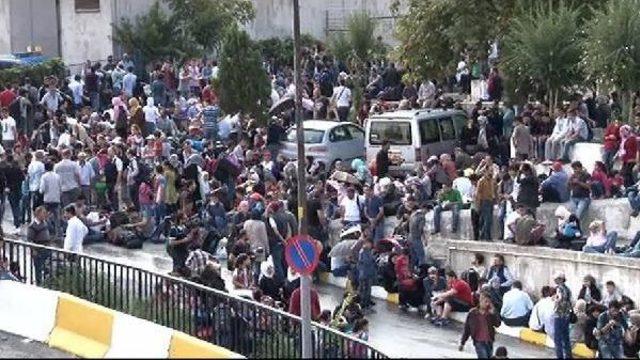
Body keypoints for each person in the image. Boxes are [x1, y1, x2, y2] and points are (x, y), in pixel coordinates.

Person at [459, 291, 501, 359]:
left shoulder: (490, 313)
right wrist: (462, 343)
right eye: (486, 301)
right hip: (479, 341)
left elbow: (497, 324)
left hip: (489, 341)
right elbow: (467, 329)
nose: (487, 304)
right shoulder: (473, 313)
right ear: (480, 300)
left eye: (489, 302)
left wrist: (494, 314)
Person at [552, 272, 573, 359]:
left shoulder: (559, 288)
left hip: (559, 315)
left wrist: (555, 300)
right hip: (566, 315)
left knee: (558, 339)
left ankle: (559, 356)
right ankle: (568, 356)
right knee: (566, 338)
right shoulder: (567, 289)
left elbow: (559, 299)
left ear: (560, 279)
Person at [39, 161, 62, 239]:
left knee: (45, 216)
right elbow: (60, 187)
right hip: (56, 198)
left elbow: (42, 189)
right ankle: (58, 234)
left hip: (47, 199)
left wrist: (40, 192)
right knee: (57, 217)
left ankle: (46, 232)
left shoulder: (44, 176)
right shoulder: (57, 176)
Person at [474, 168, 496, 241]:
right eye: (489, 171)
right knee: (487, 220)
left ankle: (484, 235)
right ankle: (486, 236)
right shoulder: (481, 181)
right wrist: (478, 204)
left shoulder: (492, 180)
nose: (490, 173)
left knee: (489, 220)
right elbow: (478, 193)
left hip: (491, 201)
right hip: (484, 201)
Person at [357, 237, 376, 311]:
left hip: (368, 273)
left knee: (368, 290)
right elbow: (366, 261)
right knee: (364, 290)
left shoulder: (368, 251)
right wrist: (372, 259)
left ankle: (366, 303)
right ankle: (363, 304)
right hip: (364, 273)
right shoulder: (364, 251)